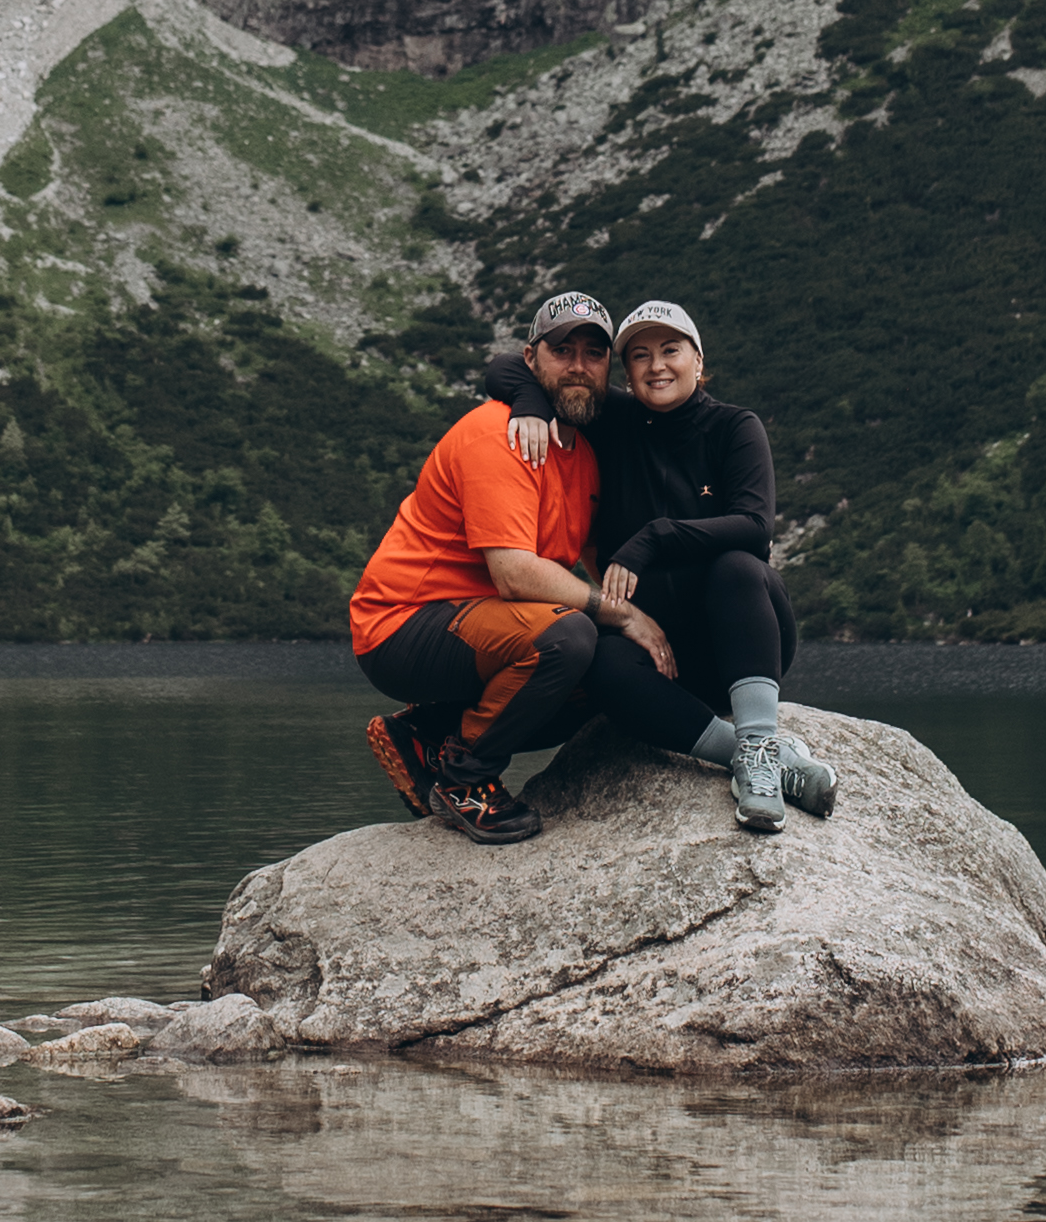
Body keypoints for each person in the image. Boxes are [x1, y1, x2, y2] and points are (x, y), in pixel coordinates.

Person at [348, 288, 682, 846]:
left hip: (488, 621)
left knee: (612, 672)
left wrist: (655, 629)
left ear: (608, 369)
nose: (578, 366)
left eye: (593, 354)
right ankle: (465, 779)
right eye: (562, 350)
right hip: (401, 623)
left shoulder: (585, 453)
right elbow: (516, 574)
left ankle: (428, 735)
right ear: (531, 360)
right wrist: (620, 614)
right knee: (570, 637)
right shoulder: (497, 434)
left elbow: (593, 557)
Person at [497, 294, 836, 837]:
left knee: (737, 566)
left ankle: (756, 737)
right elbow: (511, 366)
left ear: (698, 363)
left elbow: (755, 526)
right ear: (626, 373)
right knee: (600, 659)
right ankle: (755, 756)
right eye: (640, 355)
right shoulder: (614, 421)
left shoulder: (734, 428)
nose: (657, 366)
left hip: (743, 642)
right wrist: (529, 403)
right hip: (664, 665)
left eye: (671, 350)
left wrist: (653, 537)